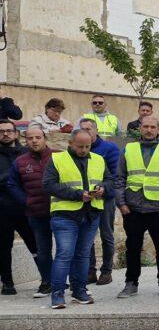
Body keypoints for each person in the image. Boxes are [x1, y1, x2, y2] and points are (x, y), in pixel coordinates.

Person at [43, 129, 112, 309]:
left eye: (87, 146)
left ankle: (79, 290)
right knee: (64, 254)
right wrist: (77, 195)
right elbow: (48, 185)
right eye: (80, 146)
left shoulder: (98, 159)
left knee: (82, 255)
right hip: (65, 215)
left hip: (91, 214)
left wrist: (103, 188)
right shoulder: (57, 159)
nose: (84, 150)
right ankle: (57, 295)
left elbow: (110, 181)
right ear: (71, 143)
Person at [115, 116, 159, 298]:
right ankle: (131, 283)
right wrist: (121, 203)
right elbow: (119, 178)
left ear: (158, 129)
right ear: (139, 128)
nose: (149, 130)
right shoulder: (128, 149)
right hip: (133, 208)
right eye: (145, 126)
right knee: (132, 247)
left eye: (153, 127)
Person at [10, 124, 54, 297]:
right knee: (42, 250)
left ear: (44, 138)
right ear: (24, 140)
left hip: (61, 213)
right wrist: (25, 201)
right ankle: (47, 282)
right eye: (30, 138)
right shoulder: (20, 162)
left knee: (67, 249)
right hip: (36, 213)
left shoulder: (59, 156)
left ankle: (72, 283)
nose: (34, 141)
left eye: (38, 137)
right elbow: (11, 184)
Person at [80, 118, 120, 286]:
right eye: (82, 129)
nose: (86, 132)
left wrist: (103, 188)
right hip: (85, 200)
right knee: (87, 237)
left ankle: (106, 271)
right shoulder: (77, 149)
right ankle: (90, 271)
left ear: (96, 131)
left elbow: (115, 176)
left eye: (89, 129)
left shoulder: (109, 149)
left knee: (106, 235)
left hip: (105, 200)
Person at [0, 119, 34, 294]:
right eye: (1, 131)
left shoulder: (26, 153)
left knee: (36, 246)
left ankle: (48, 279)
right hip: (2, 211)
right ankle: (7, 283)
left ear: (15, 133)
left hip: (25, 208)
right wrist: (11, 175)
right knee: (4, 249)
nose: (5, 134)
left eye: (8, 131)